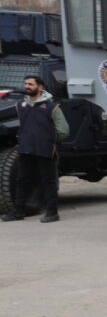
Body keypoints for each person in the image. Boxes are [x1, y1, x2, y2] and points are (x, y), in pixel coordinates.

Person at [2, 76, 68, 223]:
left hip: (46, 150)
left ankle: (52, 213)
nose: (27, 86)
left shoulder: (52, 107)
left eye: (30, 84)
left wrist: (49, 140)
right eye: (26, 84)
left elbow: (64, 130)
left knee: (48, 182)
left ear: (40, 87)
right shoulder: (21, 106)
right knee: (22, 181)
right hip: (26, 149)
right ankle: (18, 211)